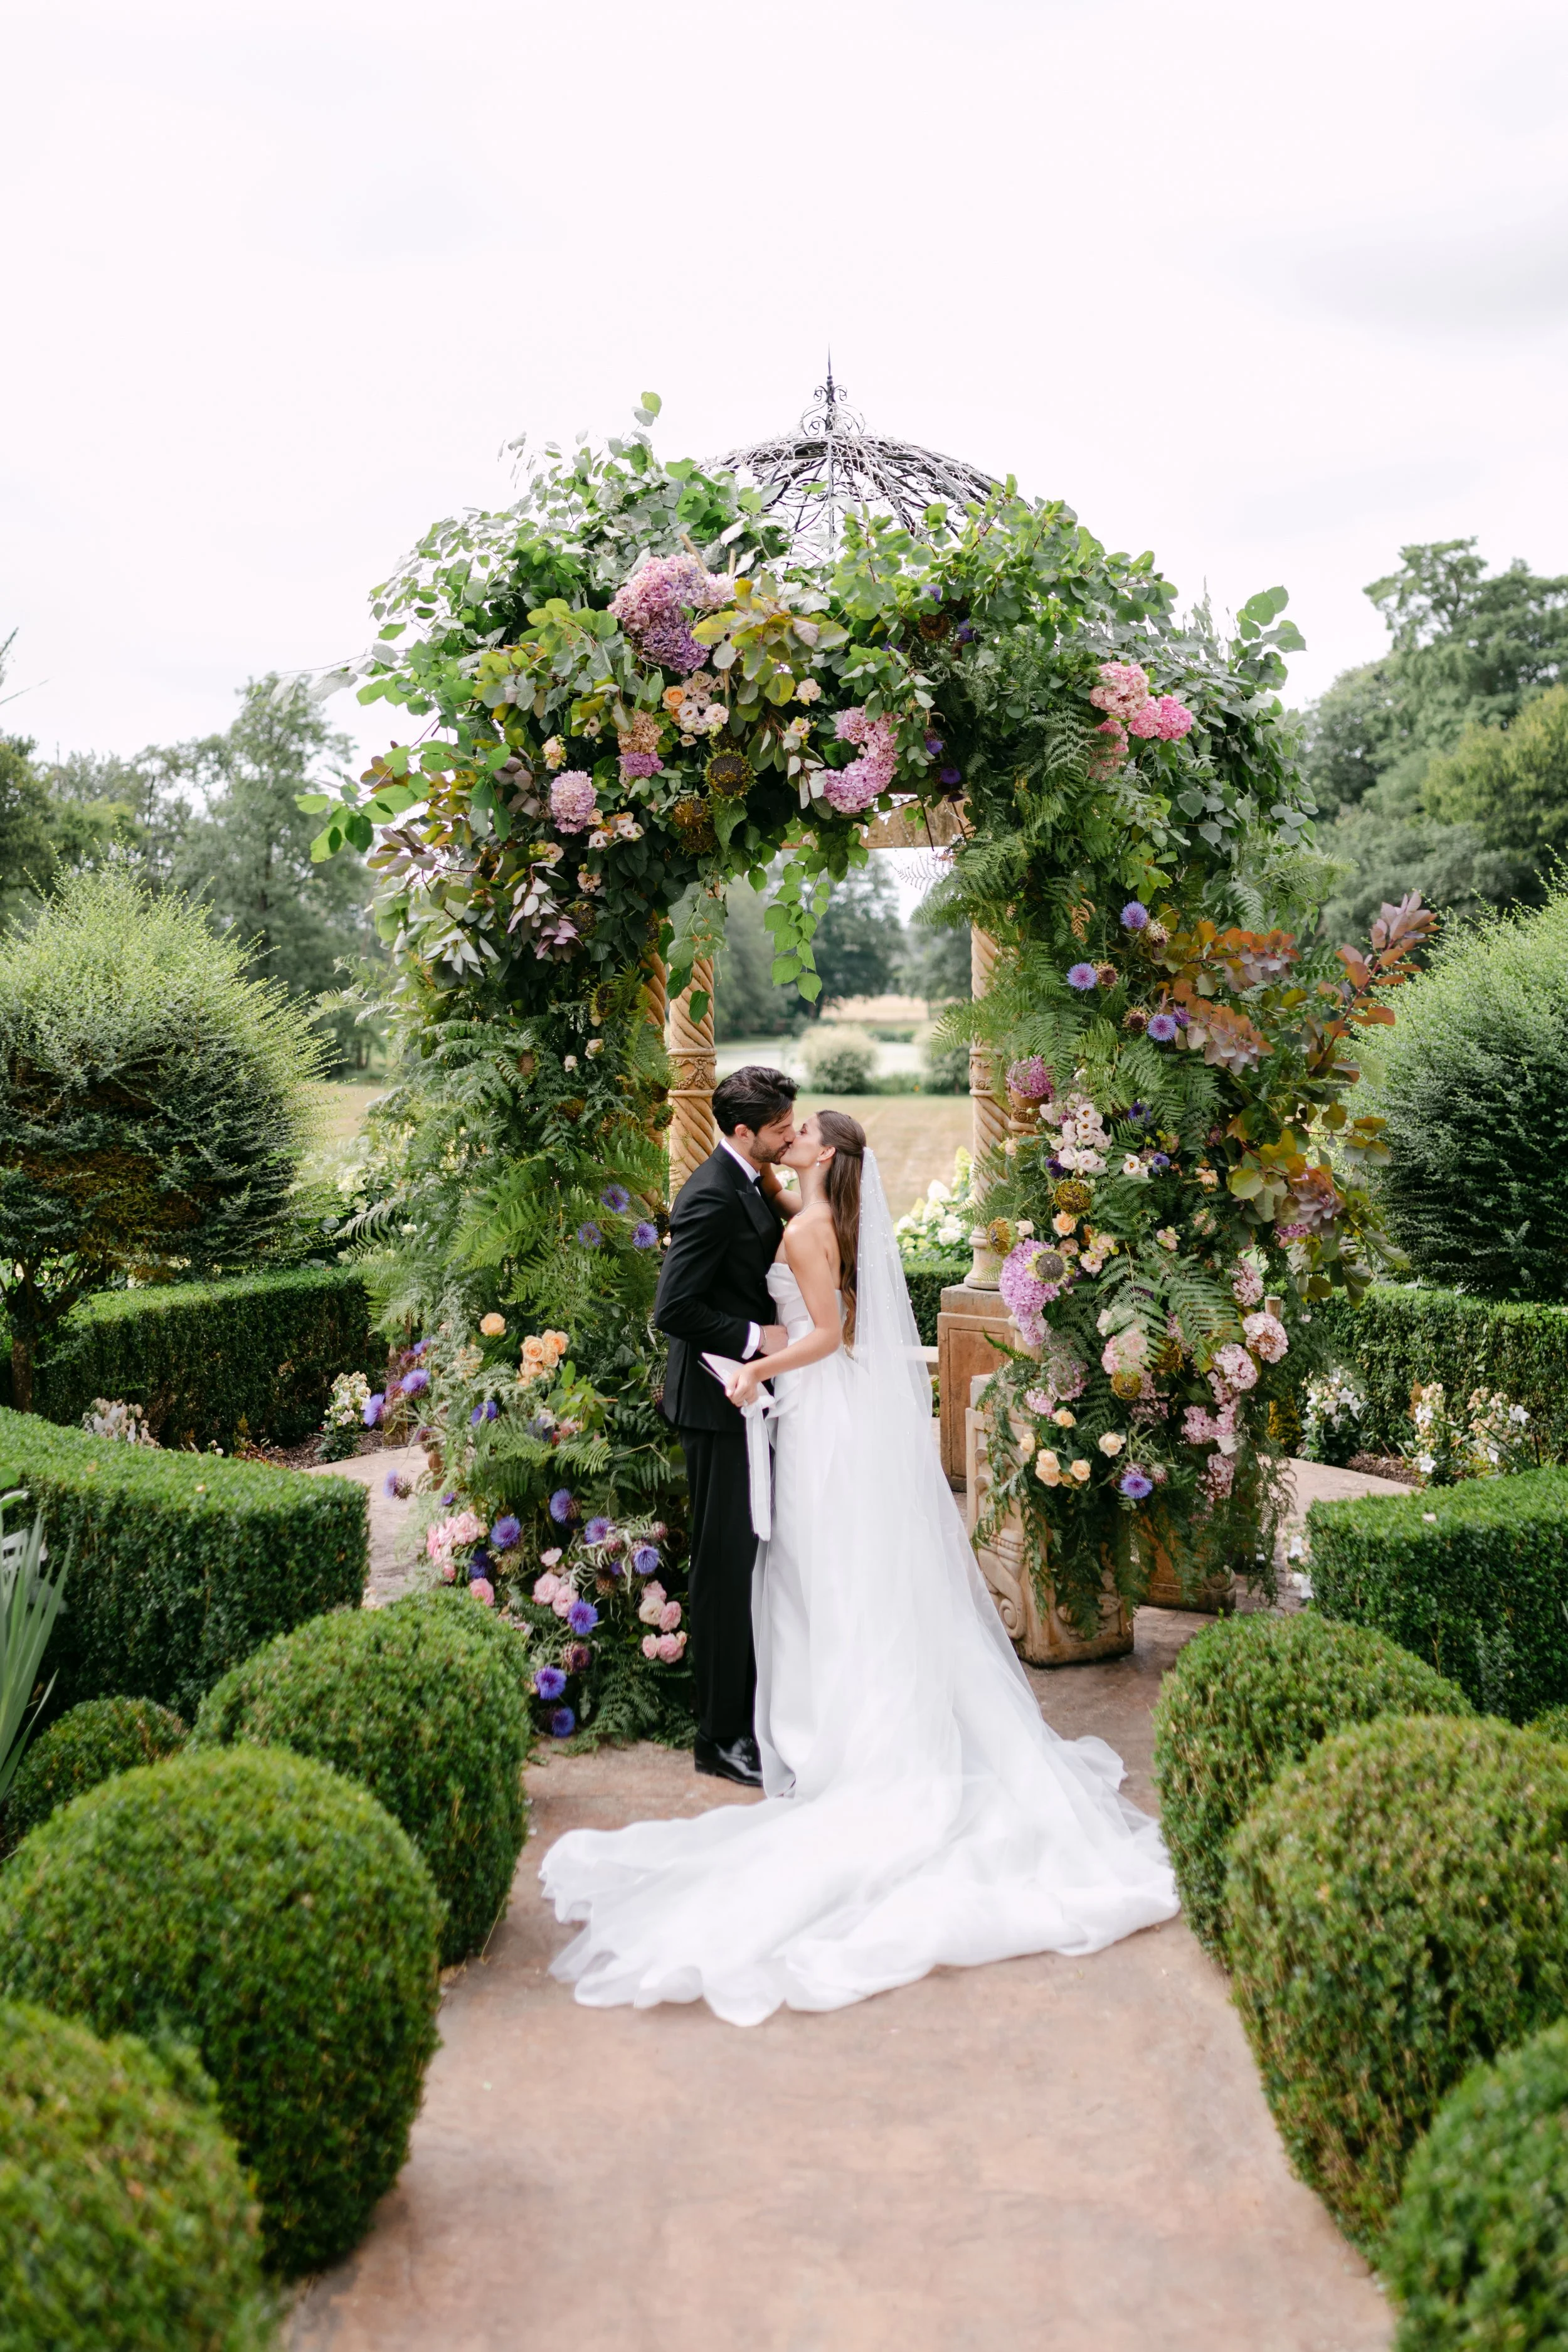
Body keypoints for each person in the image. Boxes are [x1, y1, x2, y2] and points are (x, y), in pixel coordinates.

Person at [541, 1109, 1180, 2026]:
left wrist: (758, 1371)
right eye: (787, 1126)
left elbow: (829, 1337)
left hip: (812, 1408)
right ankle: (821, 1723)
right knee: (822, 1571)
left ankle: (834, 1734)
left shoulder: (807, 1226)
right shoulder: (812, 1212)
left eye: (805, 1132)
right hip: (819, 1414)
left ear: (828, 1154)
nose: (792, 1135)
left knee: (820, 1572)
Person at [651, 1064, 800, 1787]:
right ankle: (717, 1736)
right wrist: (756, 1340)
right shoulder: (709, 1196)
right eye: (779, 1128)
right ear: (744, 1132)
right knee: (721, 1570)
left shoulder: (748, 1181)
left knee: (743, 1564)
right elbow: (672, 1309)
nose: (789, 1135)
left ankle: (747, 1712)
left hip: (747, 1403)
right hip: (716, 1409)